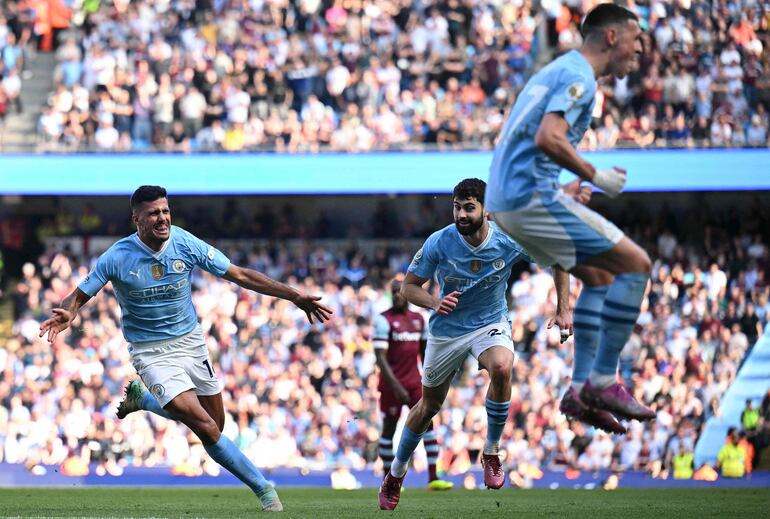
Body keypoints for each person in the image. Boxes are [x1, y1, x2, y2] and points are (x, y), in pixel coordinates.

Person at [39, 185, 333, 512]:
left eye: (165, 211)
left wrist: (293, 295)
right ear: (136, 219)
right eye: (154, 213)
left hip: (191, 342)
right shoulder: (117, 257)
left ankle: (145, 400)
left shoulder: (184, 242)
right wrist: (69, 312)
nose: (163, 218)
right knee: (206, 429)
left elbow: (239, 274)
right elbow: (80, 295)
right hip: (150, 351)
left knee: (215, 426)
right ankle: (264, 489)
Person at [486, 3, 654, 434]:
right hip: (528, 198)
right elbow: (548, 137)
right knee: (637, 265)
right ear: (612, 37)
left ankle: (580, 391)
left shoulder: (558, 71)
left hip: (510, 199)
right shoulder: (579, 76)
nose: (639, 51)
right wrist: (596, 175)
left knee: (598, 276)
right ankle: (602, 381)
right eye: (635, 40)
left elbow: (529, 139)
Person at [378, 178, 572, 510]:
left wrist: (564, 308)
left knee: (501, 366)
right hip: (446, 330)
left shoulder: (509, 237)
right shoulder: (440, 242)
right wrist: (433, 302)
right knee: (429, 407)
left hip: (490, 322)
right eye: (457, 207)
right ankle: (396, 474)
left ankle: (492, 452)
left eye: (469, 208)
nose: (462, 214)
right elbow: (408, 288)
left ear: (486, 210)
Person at [373, 275, 453, 491]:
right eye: (394, 291)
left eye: (401, 291)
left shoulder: (419, 319)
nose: (398, 296)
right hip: (391, 384)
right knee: (389, 428)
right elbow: (380, 357)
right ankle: (387, 478)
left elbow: (425, 353)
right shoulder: (383, 320)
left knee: (428, 424)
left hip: (413, 382)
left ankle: (433, 476)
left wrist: (431, 377)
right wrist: (396, 385)